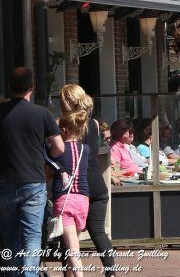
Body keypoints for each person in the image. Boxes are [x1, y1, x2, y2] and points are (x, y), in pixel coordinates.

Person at [0, 68, 64, 277]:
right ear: (32, 87)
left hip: (5, 183)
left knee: (9, 236)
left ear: (9, 87)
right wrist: (47, 164)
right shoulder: (42, 113)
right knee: (32, 236)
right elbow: (59, 147)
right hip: (34, 182)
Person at [61, 85, 115, 277]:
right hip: (96, 184)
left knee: (67, 236)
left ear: (66, 101)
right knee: (98, 231)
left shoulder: (64, 124)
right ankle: (111, 272)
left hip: (75, 187)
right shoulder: (93, 124)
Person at [54, 91, 91, 277]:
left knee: (73, 250)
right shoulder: (86, 148)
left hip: (64, 200)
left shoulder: (58, 150)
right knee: (73, 244)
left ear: (64, 130)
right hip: (83, 200)